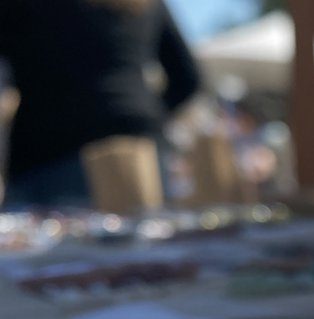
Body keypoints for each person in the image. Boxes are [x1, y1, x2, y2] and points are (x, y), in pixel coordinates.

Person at [0, 0, 200, 209]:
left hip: (52, 150)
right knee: (154, 235)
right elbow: (188, 79)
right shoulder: (149, 3)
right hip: (144, 148)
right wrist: (144, 113)